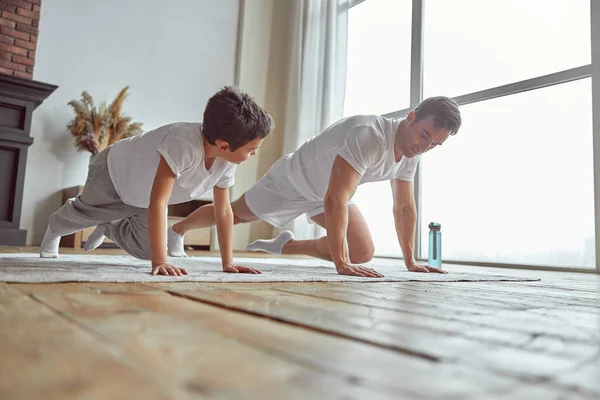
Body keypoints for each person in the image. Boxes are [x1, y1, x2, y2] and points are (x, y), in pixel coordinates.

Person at [168, 96, 461, 278]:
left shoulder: (412, 152)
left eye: (435, 144)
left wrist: (410, 261)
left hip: (330, 192)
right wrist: (341, 263)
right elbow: (337, 198)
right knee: (236, 213)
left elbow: (404, 207)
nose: (425, 147)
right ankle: (178, 230)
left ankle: (287, 246)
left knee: (362, 252)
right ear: (410, 118)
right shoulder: (369, 135)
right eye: (424, 136)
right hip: (293, 181)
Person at [39, 86, 273, 276]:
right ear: (223, 145)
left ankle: (109, 224)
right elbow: (159, 203)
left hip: (143, 197)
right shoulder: (182, 143)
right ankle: (54, 228)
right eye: (252, 149)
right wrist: (160, 262)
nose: (254, 154)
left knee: (145, 249)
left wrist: (228, 262)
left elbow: (224, 212)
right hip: (113, 173)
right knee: (82, 215)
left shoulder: (226, 161)